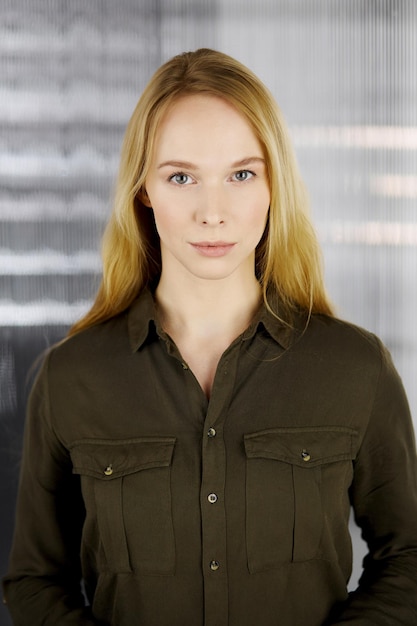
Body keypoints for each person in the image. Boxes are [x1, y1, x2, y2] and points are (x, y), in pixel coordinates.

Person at [3, 48, 417, 626]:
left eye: (241, 174)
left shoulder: (356, 366)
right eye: (181, 177)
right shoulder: (71, 375)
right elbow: (35, 580)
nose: (212, 212)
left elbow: (408, 558)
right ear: (143, 189)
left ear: (275, 185)